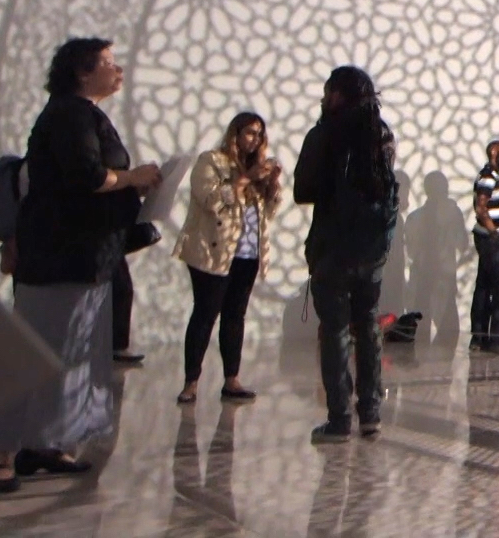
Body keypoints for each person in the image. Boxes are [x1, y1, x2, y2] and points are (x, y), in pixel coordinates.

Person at [0, 38, 160, 493]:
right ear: (82, 71)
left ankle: (44, 443)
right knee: (34, 352)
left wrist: (129, 186)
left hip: (86, 257)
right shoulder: (69, 115)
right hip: (59, 257)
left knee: (72, 355)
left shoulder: (84, 114)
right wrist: (133, 178)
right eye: (109, 62)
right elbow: (87, 176)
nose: (118, 70)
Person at [293, 66, 401, 442]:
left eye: (328, 91)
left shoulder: (324, 134)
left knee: (335, 331)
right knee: (368, 326)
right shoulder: (381, 134)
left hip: (333, 248)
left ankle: (339, 419)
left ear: (338, 95)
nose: (324, 98)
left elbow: (302, 190)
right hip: (371, 251)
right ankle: (370, 413)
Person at [173, 112, 280, 405]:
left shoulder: (256, 167)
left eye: (259, 134)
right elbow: (210, 201)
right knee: (205, 314)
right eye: (250, 133)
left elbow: (268, 213)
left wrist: (271, 185)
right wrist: (244, 179)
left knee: (235, 316)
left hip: (247, 252)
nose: (255, 140)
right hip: (213, 250)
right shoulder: (211, 161)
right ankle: (191, 382)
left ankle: (232, 379)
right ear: (236, 134)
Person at [403, 172, 466, 347]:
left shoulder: (414, 218)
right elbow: (462, 244)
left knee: (422, 329)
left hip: (423, 275)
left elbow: (411, 252)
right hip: (442, 276)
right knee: (448, 330)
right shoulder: (452, 214)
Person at [468, 163, 499, 353]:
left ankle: (479, 337)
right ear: (495, 152)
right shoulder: (488, 177)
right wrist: (494, 232)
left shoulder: (493, 176)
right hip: (490, 239)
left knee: (484, 285)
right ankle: (498, 337)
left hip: (490, 238)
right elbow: (481, 208)